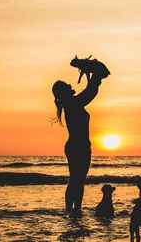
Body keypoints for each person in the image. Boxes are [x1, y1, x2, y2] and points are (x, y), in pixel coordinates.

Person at [52, 71, 106, 213]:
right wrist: (96, 77)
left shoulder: (72, 103)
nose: (70, 85)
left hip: (77, 146)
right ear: (63, 92)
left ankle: (74, 211)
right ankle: (73, 211)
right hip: (78, 147)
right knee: (77, 181)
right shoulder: (72, 103)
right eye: (66, 86)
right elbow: (89, 93)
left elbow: (89, 93)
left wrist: (94, 78)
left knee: (76, 180)